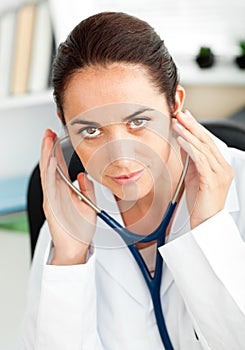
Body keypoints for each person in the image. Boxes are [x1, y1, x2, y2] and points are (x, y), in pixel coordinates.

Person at [20, 12, 245, 350]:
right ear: (64, 125)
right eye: (90, 131)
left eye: (138, 121)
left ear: (175, 105)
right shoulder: (71, 210)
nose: (120, 156)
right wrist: (69, 258)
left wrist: (210, 231)